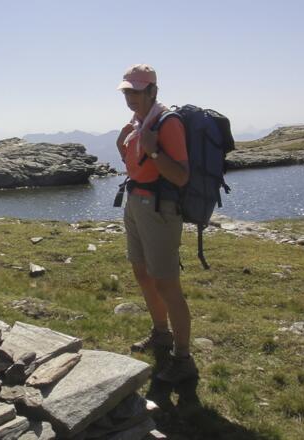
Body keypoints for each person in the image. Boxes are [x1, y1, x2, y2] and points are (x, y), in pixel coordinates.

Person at [116, 64, 197, 384]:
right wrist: (123, 146)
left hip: (160, 210)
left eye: (136, 90)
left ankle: (183, 357)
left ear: (153, 91)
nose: (130, 96)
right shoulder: (139, 123)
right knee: (142, 272)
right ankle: (161, 334)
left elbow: (180, 175)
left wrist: (151, 148)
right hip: (137, 202)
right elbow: (137, 166)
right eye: (127, 91)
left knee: (166, 282)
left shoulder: (168, 123)